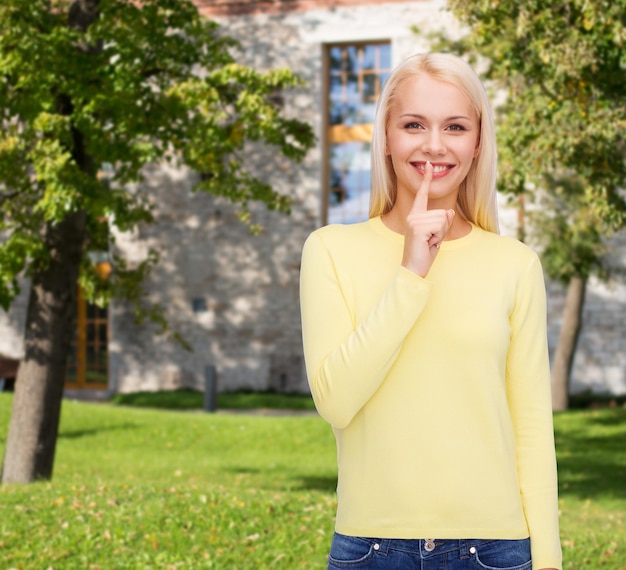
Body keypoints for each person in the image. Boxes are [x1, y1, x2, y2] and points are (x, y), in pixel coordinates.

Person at [299, 53, 561, 570]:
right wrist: (411, 273)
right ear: (387, 137)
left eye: (456, 127)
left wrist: (548, 561)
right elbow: (336, 401)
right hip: (370, 550)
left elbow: (531, 429)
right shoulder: (329, 249)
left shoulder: (515, 263)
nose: (435, 145)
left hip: (494, 551)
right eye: (414, 124)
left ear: (478, 142)